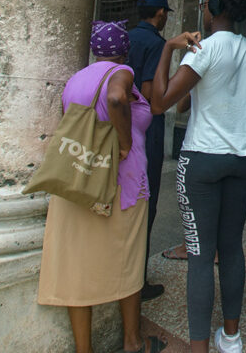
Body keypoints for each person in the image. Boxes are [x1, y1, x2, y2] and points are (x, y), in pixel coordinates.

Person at [149, 0, 246, 353]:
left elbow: (161, 103)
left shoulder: (205, 49)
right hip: (244, 159)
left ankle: (198, 348)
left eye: (205, 1)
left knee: (200, 255)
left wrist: (169, 48)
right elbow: (190, 101)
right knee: (231, 248)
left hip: (202, 161)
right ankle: (231, 337)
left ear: (214, 5)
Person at [37, 20, 166, 353]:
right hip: (120, 184)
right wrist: (123, 143)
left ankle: (84, 349)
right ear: (124, 50)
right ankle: (133, 341)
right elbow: (116, 97)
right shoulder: (121, 72)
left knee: (76, 268)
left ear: (95, 50)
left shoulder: (76, 79)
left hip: (78, 181)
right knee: (128, 260)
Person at [127, 0, 173, 301]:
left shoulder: (126, 38)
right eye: (166, 12)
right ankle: (136, 281)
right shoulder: (156, 43)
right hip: (146, 129)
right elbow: (149, 91)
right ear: (159, 14)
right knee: (147, 201)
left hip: (121, 125)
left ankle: (120, 271)